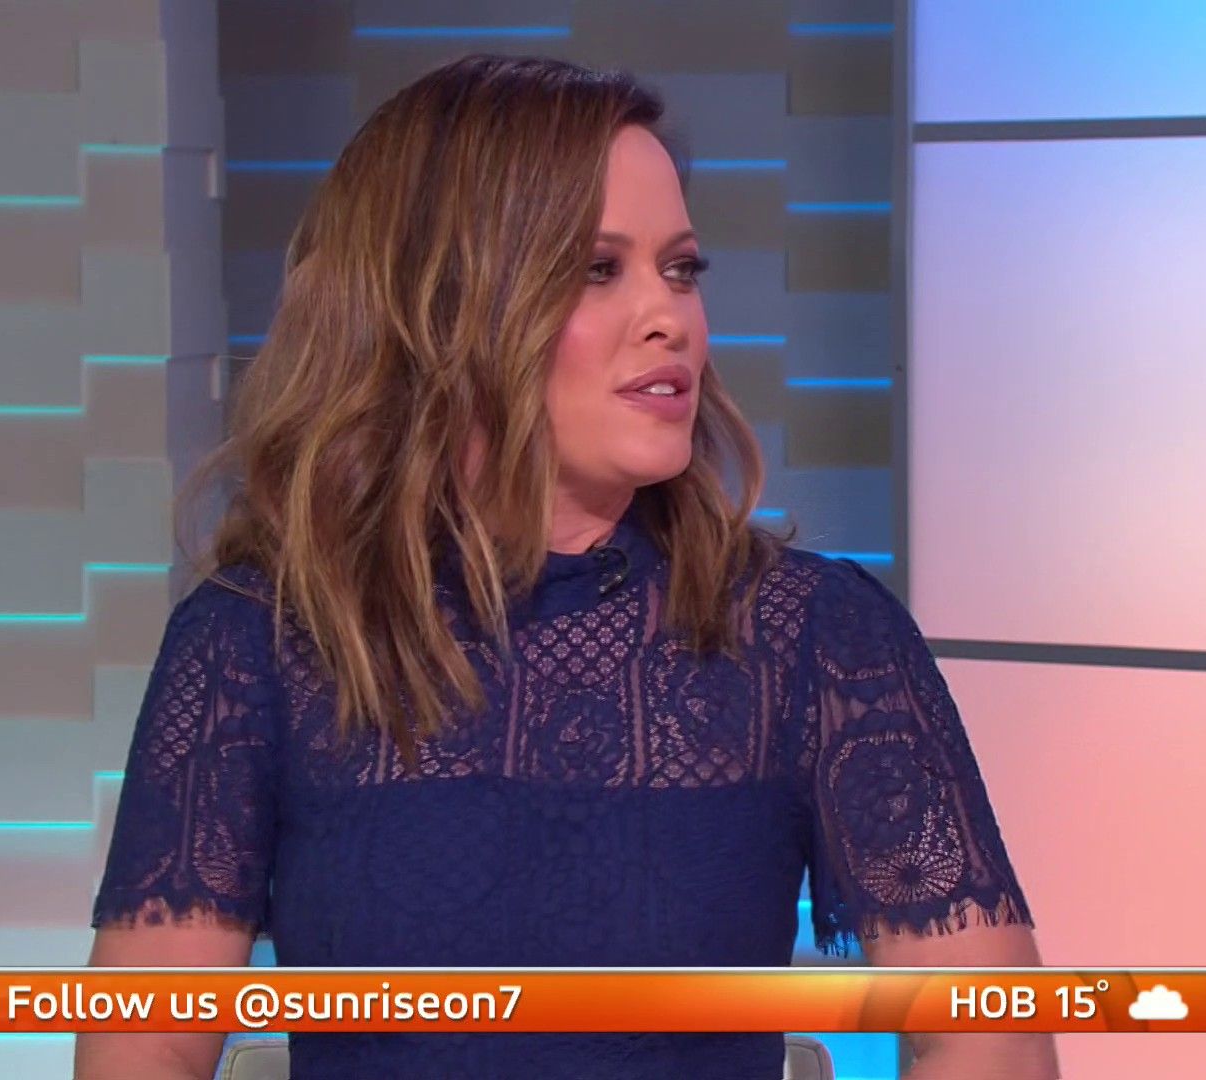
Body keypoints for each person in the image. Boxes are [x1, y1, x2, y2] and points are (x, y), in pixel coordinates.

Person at [75, 53, 1057, 1080]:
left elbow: (987, 1032)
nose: (670, 316)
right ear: (440, 307)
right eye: (598, 269)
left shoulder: (810, 633)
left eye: (681, 269)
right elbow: (148, 1043)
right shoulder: (259, 639)